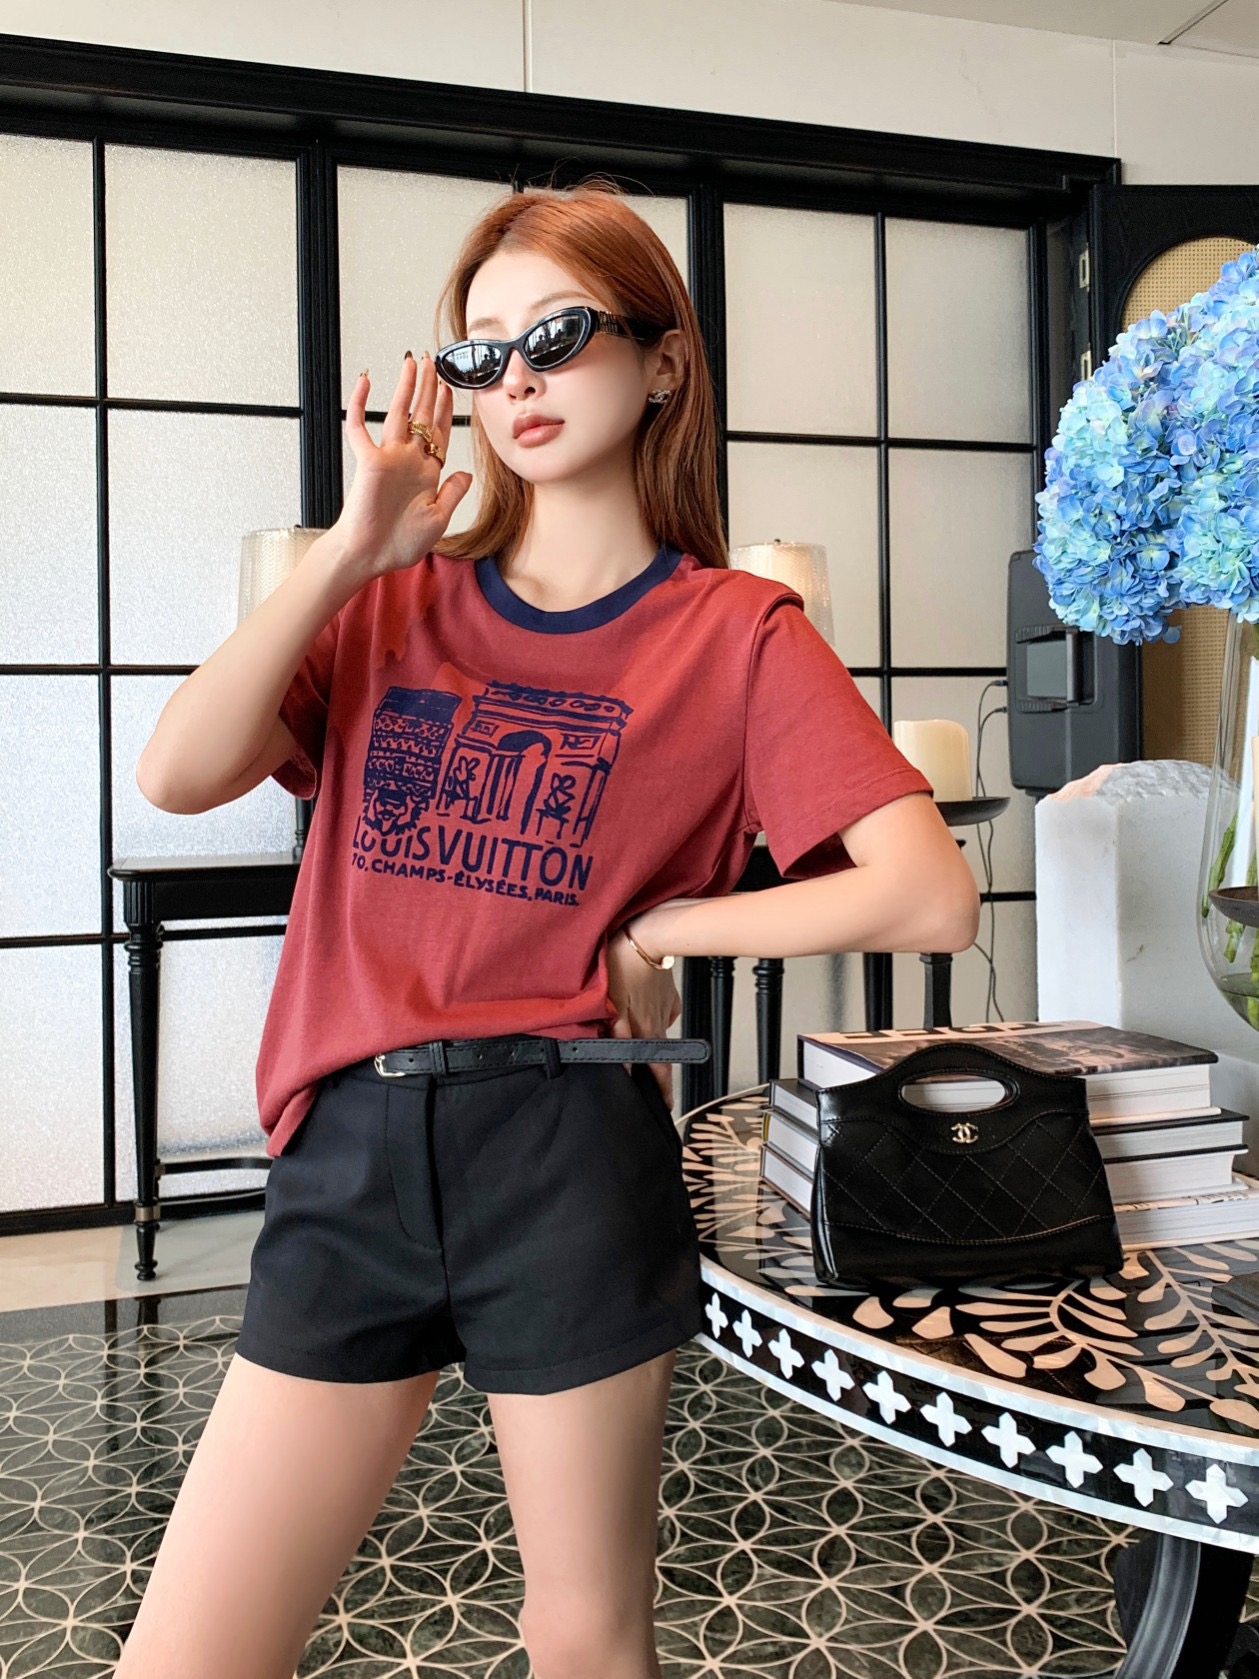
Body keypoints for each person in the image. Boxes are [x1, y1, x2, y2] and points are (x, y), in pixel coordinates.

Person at [121, 177, 980, 1679]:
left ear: (663, 362)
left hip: (566, 1153)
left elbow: (928, 891)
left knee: (584, 1640)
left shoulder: (738, 635)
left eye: (561, 334)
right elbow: (178, 774)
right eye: (482, 348)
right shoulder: (390, 606)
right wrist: (348, 549)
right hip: (351, 1151)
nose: (515, 377)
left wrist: (669, 927)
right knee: (190, 1655)